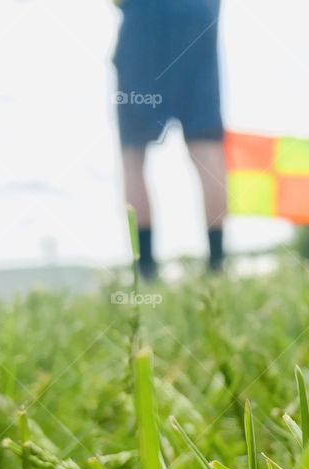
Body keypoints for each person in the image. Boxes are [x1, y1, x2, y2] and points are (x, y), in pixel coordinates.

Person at [114, 0, 227, 278]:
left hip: (143, 15)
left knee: (132, 155)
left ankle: (146, 271)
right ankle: (217, 266)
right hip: (197, 13)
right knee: (206, 145)